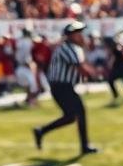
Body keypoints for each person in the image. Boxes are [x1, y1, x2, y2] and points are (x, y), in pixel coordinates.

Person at [33, 22, 99, 154]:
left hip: (64, 87)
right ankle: (84, 146)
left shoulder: (73, 48)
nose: (82, 36)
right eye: (78, 33)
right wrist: (96, 75)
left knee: (71, 117)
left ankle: (41, 131)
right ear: (71, 36)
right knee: (79, 112)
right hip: (61, 86)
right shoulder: (67, 48)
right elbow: (80, 67)